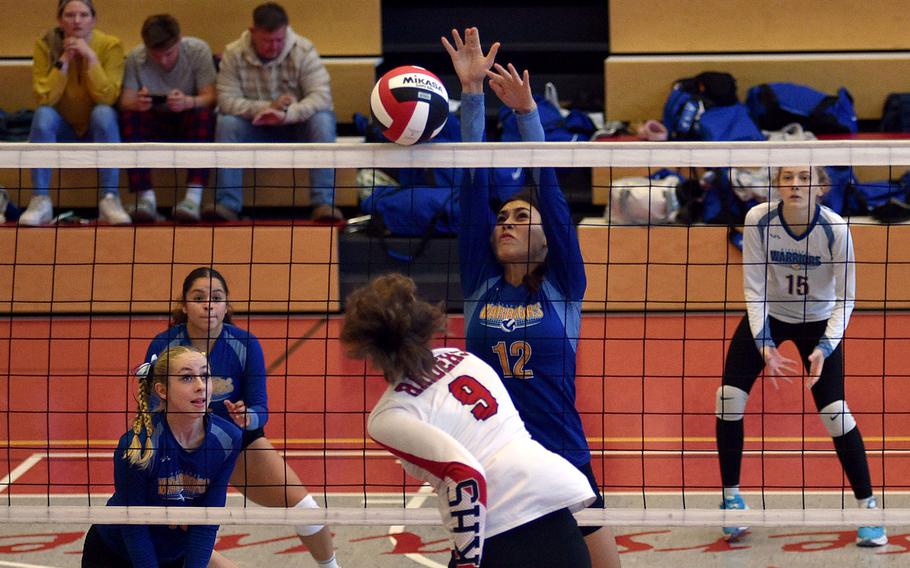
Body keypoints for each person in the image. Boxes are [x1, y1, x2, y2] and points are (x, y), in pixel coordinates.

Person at [443, 27, 621, 568]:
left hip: (561, 450)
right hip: (489, 456)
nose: (508, 223)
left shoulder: (566, 286)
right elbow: (474, 187)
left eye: (523, 217)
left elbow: (551, 191)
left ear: (547, 238)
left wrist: (526, 116)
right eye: (504, 218)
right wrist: (471, 97)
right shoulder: (481, 283)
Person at [341, 273, 596, 567]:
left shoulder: (388, 416)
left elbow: (465, 474)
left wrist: (466, 562)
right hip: (556, 514)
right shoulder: (463, 358)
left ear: (367, 349)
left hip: (500, 526)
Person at [715, 165, 887, 547]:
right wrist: (764, 345)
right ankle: (731, 500)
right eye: (787, 178)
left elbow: (848, 298)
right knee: (727, 399)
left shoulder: (835, 229)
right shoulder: (758, 219)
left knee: (835, 412)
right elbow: (753, 288)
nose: (795, 185)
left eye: (805, 178)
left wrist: (825, 347)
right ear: (777, 185)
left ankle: (870, 509)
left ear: (821, 187)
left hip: (820, 322)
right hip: (772, 317)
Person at [145, 267, 340, 567]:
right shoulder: (163, 345)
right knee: (177, 527)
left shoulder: (245, 344)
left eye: (216, 297)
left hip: (238, 443)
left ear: (226, 305)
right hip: (183, 445)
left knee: (305, 507)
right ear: (184, 305)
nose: (208, 304)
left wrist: (247, 418)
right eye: (198, 298)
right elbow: (150, 407)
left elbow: (262, 409)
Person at [81, 345, 242, 567]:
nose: (200, 386)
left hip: (174, 553)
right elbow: (134, 528)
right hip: (115, 553)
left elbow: (206, 524)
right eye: (186, 378)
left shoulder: (228, 439)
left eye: (205, 375)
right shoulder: (138, 446)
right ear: (162, 390)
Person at [213, 2, 340, 222]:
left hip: (297, 127)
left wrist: (288, 114)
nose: (274, 46)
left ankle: (323, 203)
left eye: (279, 40)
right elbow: (225, 100)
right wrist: (265, 108)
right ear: (253, 32)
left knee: (322, 120)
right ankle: (227, 204)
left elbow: (321, 97)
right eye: (267, 41)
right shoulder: (233, 53)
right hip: (256, 127)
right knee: (227, 123)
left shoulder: (304, 50)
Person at [24, 0, 129, 226]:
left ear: (94, 19)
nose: (77, 21)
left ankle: (110, 198)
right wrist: (64, 60)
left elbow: (108, 97)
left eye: (83, 14)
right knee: (43, 115)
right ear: (60, 20)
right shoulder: (45, 44)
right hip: (62, 131)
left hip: (97, 132)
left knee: (104, 113)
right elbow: (44, 97)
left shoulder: (111, 45)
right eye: (70, 15)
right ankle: (40, 199)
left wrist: (91, 58)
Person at [118, 14, 217, 223]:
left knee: (204, 116)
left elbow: (211, 97)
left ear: (179, 39)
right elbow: (125, 102)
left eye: (169, 53)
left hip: (187, 119)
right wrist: (138, 103)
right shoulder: (136, 58)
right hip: (153, 121)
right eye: (156, 54)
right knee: (129, 117)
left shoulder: (198, 51)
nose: (163, 60)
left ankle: (192, 199)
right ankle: (146, 198)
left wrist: (188, 102)